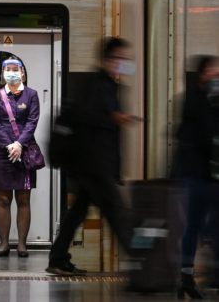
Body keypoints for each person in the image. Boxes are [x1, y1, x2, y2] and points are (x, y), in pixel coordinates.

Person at [46, 37, 138, 275]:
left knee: (77, 212)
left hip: (90, 165)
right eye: (120, 58)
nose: (124, 63)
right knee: (117, 213)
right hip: (94, 165)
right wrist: (114, 118)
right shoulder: (97, 84)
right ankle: (142, 265)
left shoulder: (106, 84)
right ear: (109, 59)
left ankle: (57, 258)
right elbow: (87, 120)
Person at [172, 55, 219, 299]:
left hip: (203, 174)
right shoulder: (195, 100)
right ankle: (189, 277)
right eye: (213, 71)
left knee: (199, 226)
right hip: (197, 175)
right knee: (198, 226)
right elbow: (206, 133)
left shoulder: (205, 100)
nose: (216, 76)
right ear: (202, 74)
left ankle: (189, 277)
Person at [0, 56, 41, 258]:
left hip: (24, 151)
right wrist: (9, 145)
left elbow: (32, 121)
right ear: (2, 74)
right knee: (3, 198)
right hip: (2, 151)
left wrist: (19, 144)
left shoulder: (32, 95)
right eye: (7, 69)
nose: (11, 72)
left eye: (14, 68)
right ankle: (3, 244)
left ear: (22, 73)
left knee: (23, 198)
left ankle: (21, 244)